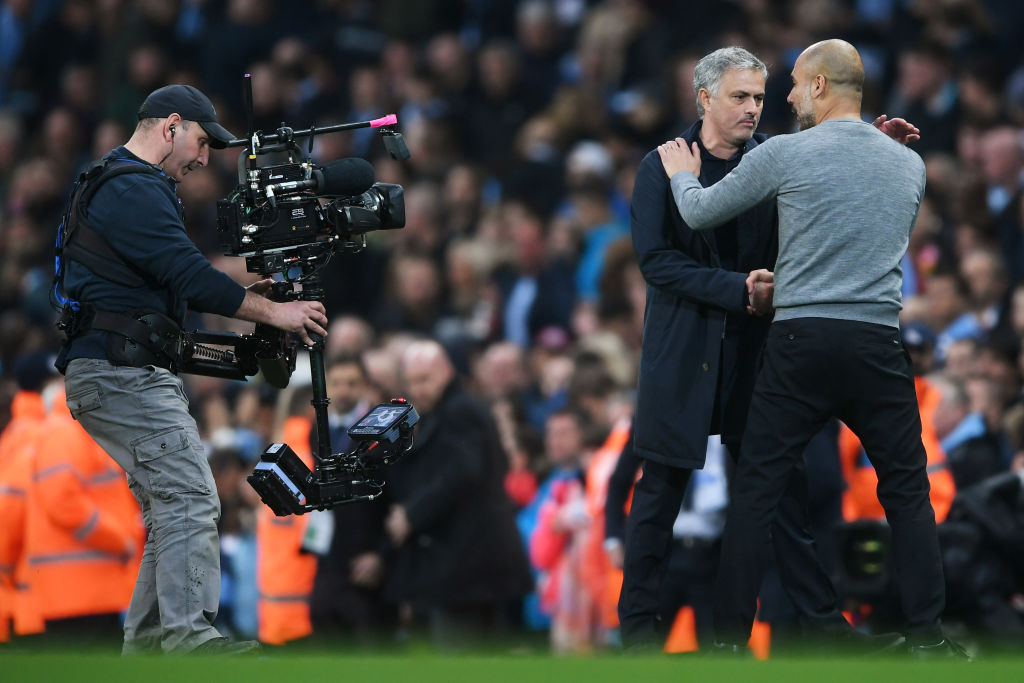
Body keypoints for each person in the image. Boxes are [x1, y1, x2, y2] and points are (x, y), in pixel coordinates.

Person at [659, 39, 965, 658]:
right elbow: (864, 217)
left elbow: (699, 214)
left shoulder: (786, 154)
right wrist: (882, 146)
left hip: (799, 341)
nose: (788, 98)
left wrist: (681, 175)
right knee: (906, 488)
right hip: (877, 341)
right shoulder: (911, 164)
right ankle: (930, 634)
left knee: (756, 493)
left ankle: (727, 645)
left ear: (821, 87)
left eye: (795, 85)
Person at [54, 84, 328, 655]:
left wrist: (250, 300)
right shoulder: (133, 186)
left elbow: (160, 290)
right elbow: (189, 275)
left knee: (169, 505)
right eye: (201, 144)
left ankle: (150, 648)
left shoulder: (118, 183)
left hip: (112, 368)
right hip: (120, 372)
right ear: (170, 126)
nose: (203, 160)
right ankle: (188, 639)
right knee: (190, 496)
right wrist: (274, 310)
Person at [385, 340, 532, 649]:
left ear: (447, 371)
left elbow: (461, 473)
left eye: (425, 379)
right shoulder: (448, 411)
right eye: (412, 382)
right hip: (469, 569)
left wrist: (412, 514)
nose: (418, 389)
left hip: (469, 569)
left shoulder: (460, 410)